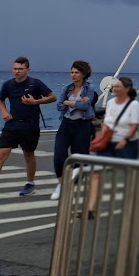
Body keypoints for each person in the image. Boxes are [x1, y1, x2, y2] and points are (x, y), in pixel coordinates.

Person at [0, 57, 56, 201]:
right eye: (15, 69)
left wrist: (35, 101)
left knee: (28, 154)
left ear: (27, 70)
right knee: (1, 154)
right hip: (12, 125)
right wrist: (4, 112)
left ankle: (30, 183)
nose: (17, 71)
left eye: (20, 69)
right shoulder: (8, 85)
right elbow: (0, 99)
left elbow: (52, 97)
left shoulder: (35, 84)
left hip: (30, 125)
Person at [84, 76, 139, 218]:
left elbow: (134, 125)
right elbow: (107, 124)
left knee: (130, 175)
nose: (114, 89)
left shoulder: (133, 105)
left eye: (118, 87)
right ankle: (91, 209)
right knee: (96, 173)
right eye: (114, 87)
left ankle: (137, 206)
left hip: (127, 144)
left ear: (126, 89)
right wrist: (99, 139)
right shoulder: (110, 103)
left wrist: (125, 140)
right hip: (109, 142)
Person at [51, 60, 96, 202]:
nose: (73, 75)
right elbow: (59, 106)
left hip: (82, 125)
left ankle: (74, 183)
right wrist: (77, 103)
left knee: (80, 158)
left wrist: (69, 102)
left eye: (76, 72)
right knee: (59, 154)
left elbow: (86, 106)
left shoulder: (89, 89)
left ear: (83, 74)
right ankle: (61, 183)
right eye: (72, 72)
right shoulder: (67, 88)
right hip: (66, 124)